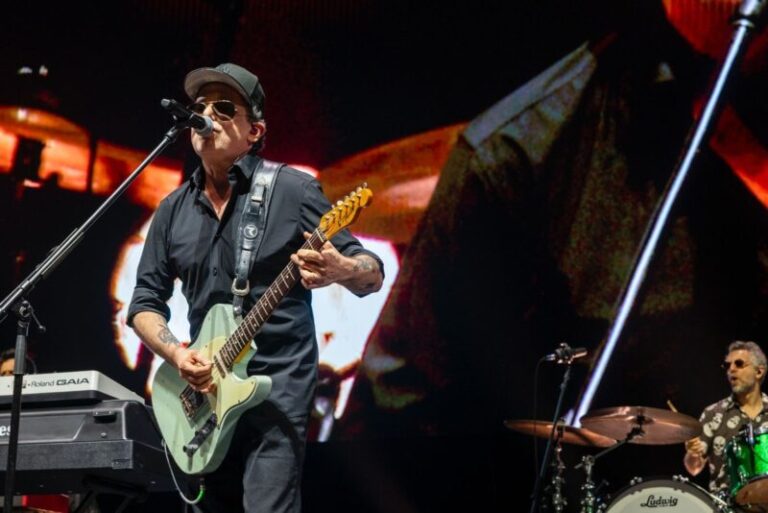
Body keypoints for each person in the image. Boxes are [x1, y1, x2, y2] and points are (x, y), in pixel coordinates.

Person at [127, 62, 384, 513]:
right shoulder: (172, 211)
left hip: (276, 393)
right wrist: (177, 355)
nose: (207, 114)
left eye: (224, 108)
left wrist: (342, 268)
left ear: (255, 131)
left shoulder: (293, 190)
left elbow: (372, 272)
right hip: (206, 399)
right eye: (200, 106)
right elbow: (144, 304)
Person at [684, 341, 768, 494]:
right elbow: (694, 469)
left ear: (759, 372)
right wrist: (693, 454)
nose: (731, 369)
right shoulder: (713, 413)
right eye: (727, 365)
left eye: (739, 364)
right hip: (724, 503)